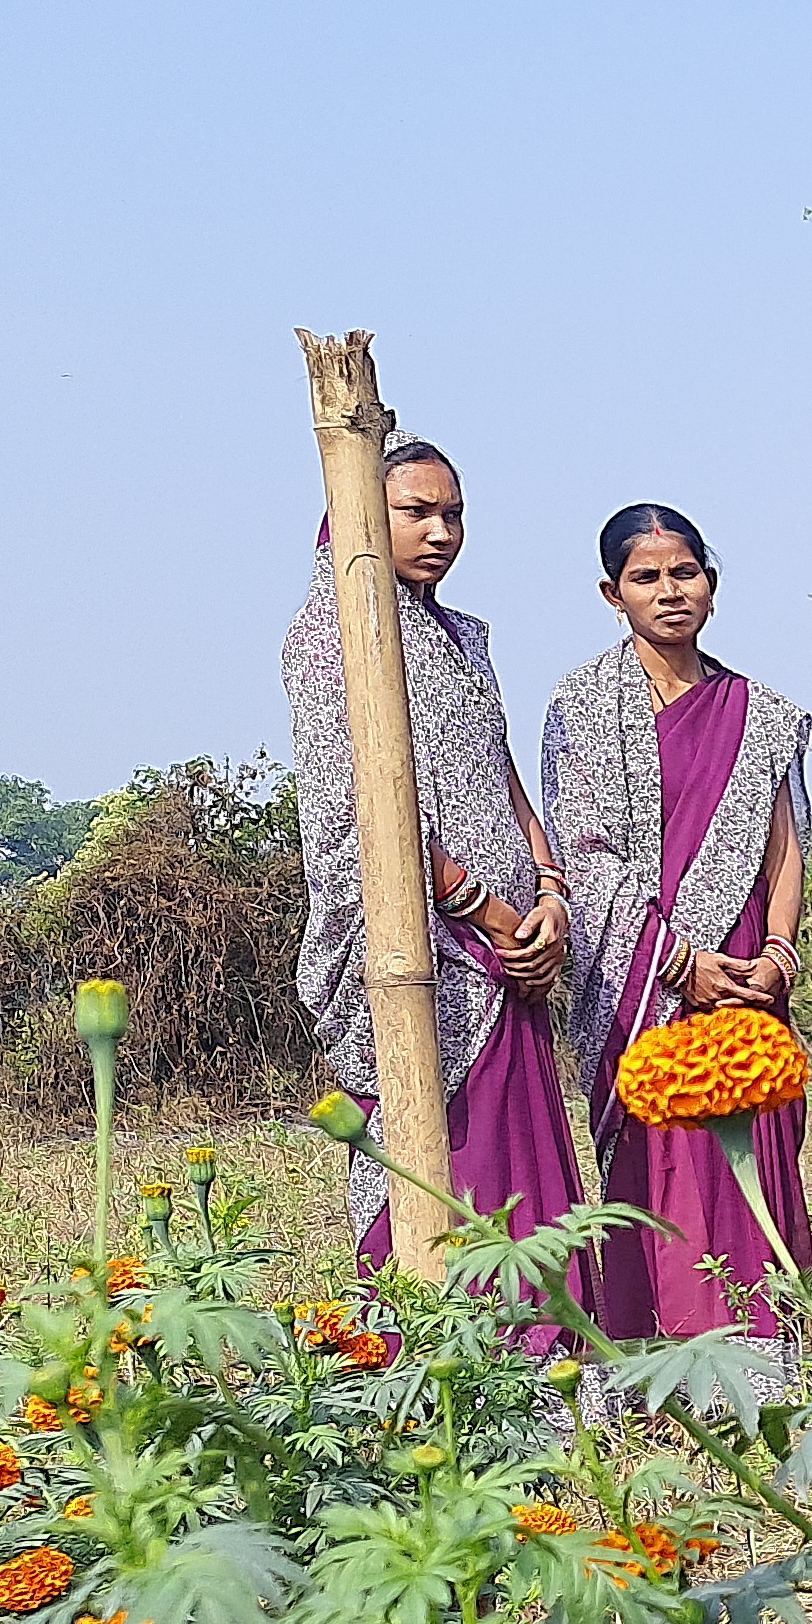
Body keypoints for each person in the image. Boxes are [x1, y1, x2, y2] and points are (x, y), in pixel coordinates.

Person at [282, 436, 592, 1274]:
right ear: (360, 517)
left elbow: (501, 772)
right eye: (416, 511)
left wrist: (550, 896)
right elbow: (360, 806)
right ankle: (438, 1364)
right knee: (438, 1161)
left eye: (453, 513)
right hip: (430, 951)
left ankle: (550, 1367)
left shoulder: (459, 635)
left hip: (512, 945)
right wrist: (486, 915)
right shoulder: (331, 637)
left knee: (521, 1173)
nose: (441, 531)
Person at [542, 505, 812, 1376]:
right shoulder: (581, 706)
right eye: (647, 577)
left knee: (750, 1146)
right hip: (645, 980)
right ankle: (659, 1353)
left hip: (745, 972)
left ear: (712, 584)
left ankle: (765, 1356)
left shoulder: (763, 715)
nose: (670, 591)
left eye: (684, 572)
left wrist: (775, 954)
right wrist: (675, 962)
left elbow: (785, 848)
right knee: (662, 1157)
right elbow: (583, 855)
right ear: (611, 594)